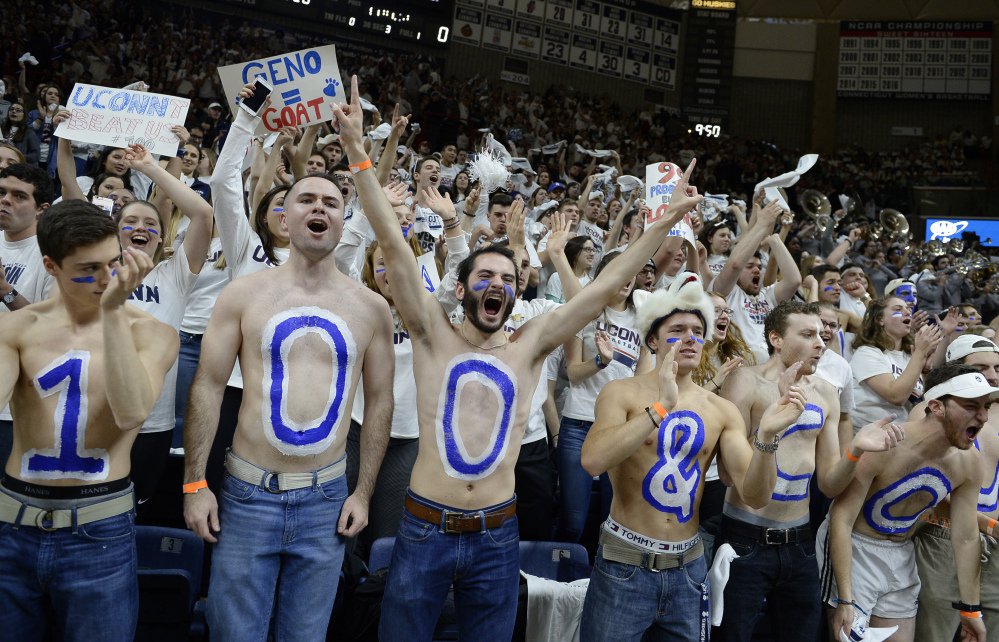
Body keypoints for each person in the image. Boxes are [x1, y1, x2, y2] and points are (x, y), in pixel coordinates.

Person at [333, 76, 704, 641]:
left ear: (514, 294)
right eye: (484, 275)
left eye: (507, 278)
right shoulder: (432, 332)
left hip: (497, 534)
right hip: (424, 527)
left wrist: (663, 224)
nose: (497, 284)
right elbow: (389, 239)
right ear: (462, 290)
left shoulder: (531, 342)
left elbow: (606, 288)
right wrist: (361, 155)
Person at [183, 162, 394, 640]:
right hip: (247, 494)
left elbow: (380, 402)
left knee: (305, 636)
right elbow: (208, 386)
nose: (319, 207)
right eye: (306, 200)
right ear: (284, 218)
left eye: (332, 203)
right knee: (235, 635)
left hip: (326, 499)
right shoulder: (243, 294)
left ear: (344, 221)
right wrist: (195, 483)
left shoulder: (371, 308)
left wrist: (362, 492)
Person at [576, 273, 807, 641]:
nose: (691, 338)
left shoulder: (720, 409)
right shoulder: (621, 393)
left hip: (688, 567)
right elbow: (592, 461)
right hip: (625, 562)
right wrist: (660, 408)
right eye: (678, 329)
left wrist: (767, 436)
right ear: (653, 339)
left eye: (698, 331)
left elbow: (756, 495)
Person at [0, 201, 177, 641]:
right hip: (14, 521)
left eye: (114, 262)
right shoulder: (17, 329)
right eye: (88, 269)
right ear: (51, 266)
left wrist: (113, 312)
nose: (106, 279)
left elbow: (132, 411)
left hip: (98, 525)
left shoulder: (152, 332)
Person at [714, 300, 902, 641]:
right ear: (776, 338)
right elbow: (729, 475)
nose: (821, 342)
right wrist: (776, 416)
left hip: (799, 543)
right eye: (807, 334)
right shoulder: (746, 382)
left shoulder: (827, 394)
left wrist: (856, 450)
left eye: (821, 334)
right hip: (744, 538)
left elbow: (830, 485)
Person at [819, 363, 995, 642]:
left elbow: (965, 537)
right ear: (937, 407)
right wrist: (846, 599)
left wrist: (971, 611)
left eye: (987, 406)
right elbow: (841, 519)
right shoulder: (885, 443)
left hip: (902, 554)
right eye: (972, 406)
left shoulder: (969, 461)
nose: (984, 416)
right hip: (854, 549)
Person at [913, 336, 999, 642]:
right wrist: (988, 524)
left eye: (997, 367)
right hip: (945, 536)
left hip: (990, 544)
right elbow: (930, 488)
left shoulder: (991, 412)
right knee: (934, 634)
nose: (991, 375)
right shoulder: (930, 414)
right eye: (981, 367)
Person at [712, 198, 801, 364]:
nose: (756, 270)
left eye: (760, 267)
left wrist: (775, 240)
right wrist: (761, 224)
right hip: (739, 370)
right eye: (750, 266)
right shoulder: (726, 292)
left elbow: (794, 280)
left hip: (771, 369)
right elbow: (735, 265)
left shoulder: (767, 295)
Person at [850, 296, 943, 432]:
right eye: (898, 310)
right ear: (880, 319)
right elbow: (896, 396)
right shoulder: (866, 353)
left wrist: (927, 371)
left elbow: (925, 401)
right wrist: (920, 353)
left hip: (903, 434)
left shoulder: (910, 355)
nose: (907, 312)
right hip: (871, 435)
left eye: (908, 309)